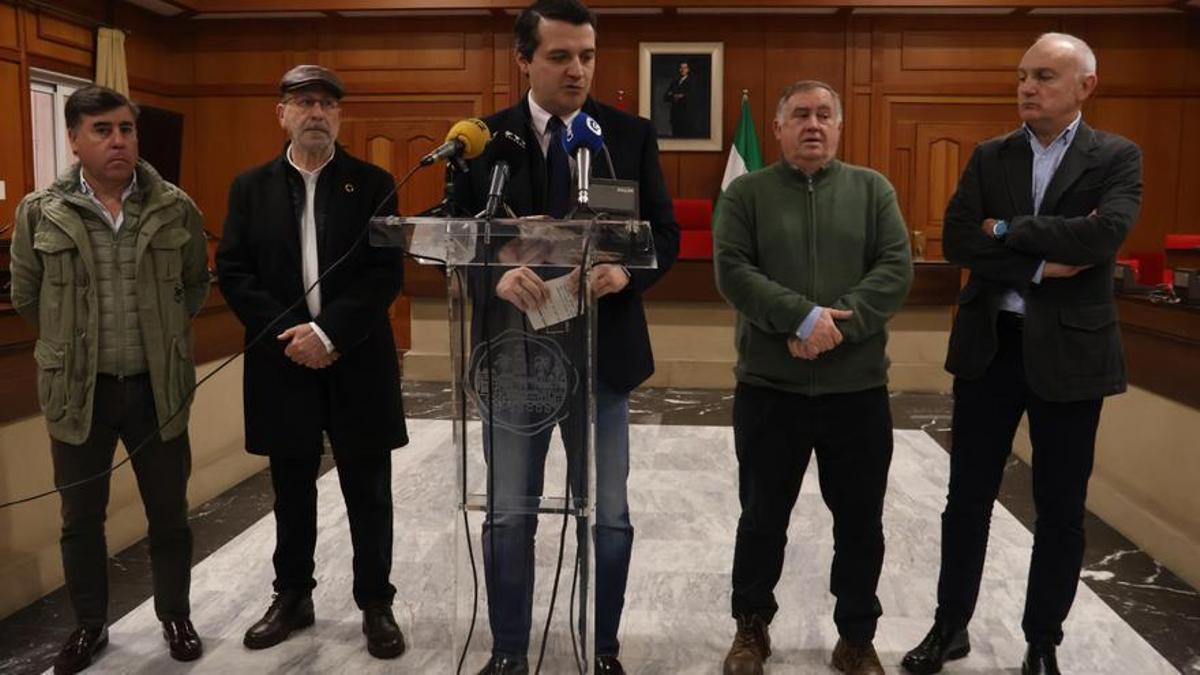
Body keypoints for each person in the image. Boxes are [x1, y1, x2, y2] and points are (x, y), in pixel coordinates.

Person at [901, 33, 1142, 675]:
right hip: (991, 349)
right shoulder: (989, 156)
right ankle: (949, 627)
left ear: (1084, 86)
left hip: (1072, 357)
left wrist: (1006, 229)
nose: (1027, 88)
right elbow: (957, 238)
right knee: (967, 501)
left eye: (1044, 77)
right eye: (1022, 76)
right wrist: (1037, 266)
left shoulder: (1116, 156)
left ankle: (1042, 642)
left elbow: (1104, 234)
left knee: (1060, 509)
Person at [454, 1, 679, 672]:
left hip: (602, 354)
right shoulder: (481, 140)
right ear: (523, 59)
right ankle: (507, 653)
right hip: (515, 358)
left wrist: (624, 272)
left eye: (586, 55)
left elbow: (663, 236)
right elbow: (459, 237)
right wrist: (492, 271)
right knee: (508, 515)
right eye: (559, 56)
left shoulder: (627, 136)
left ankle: (602, 649)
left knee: (608, 514)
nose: (577, 69)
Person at [713, 80, 913, 675]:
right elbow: (732, 270)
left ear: (839, 126)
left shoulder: (872, 189)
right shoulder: (746, 193)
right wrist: (798, 317)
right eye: (800, 114)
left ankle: (856, 635)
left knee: (859, 521)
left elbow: (894, 269)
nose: (813, 124)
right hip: (770, 390)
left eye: (825, 115)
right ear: (777, 128)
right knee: (761, 517)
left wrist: (832, 328)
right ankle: (751, 628)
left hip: (857, 392)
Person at [9, 85, 209, 673]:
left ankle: (176, 614)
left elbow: (194, 285)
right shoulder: (39, 211)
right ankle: (89, 626)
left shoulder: (176, 206)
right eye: (102, 129)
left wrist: (163, 337)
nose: (117, 140)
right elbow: (27, 295)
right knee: (80, 519)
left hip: (157, 388)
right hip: (80, 392)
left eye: (125, 128)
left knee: (169, 512)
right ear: (74, 139)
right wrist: (71, 346)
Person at [215, 64, 408, 660]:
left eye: (327, 103)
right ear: (283, 114)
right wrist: (290, 335)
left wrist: (328, 334)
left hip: (357, 359)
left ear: (340, 116)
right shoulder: (250, 188)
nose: (316, 113)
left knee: (368, 490)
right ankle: (293, 596)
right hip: (282, 362)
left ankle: (376, 602)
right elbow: (235, 271)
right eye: (304, 103)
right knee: (291, 488)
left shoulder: (374, 183)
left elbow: (386, 274)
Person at [664, 61, 693, 137]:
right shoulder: (674, 82)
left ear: (688, 70)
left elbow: (690, 97)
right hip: (674, 115)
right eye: (681, 68)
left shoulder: (691, 82)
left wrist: (674, 95)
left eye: (685, 68)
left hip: (685, 115)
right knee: (675, 136)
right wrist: (676, 96)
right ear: (679, 69)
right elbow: (666, 97)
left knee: (684, 137)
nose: (683, 70)